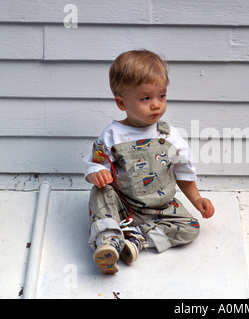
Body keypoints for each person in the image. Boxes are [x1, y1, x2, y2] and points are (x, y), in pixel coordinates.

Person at [83, 49, 215, 274]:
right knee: (100, 192)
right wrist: (96, 173)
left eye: (161, 96)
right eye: (146, 98)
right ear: (121, 103)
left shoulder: (169, 136)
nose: (156, 105)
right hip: (124, 205)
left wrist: (196, 198)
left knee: (191, 228)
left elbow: (183, 171)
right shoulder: (112, 135)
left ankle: (137, 240)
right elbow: (95, 163)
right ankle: (108, 239)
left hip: (161, 207)